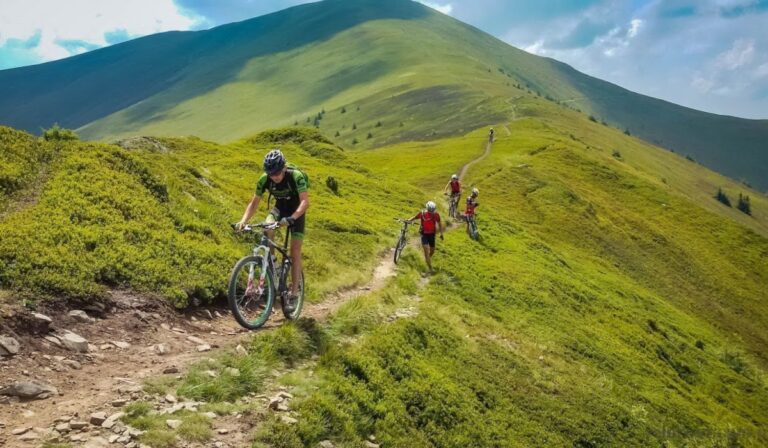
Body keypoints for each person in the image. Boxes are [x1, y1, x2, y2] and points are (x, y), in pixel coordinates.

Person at [236, 149, 309, 311]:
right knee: (267, 227)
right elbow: (254, 203)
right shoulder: (265, 179)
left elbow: (305, 202)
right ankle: (274, 268)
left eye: (276, 173)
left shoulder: (296, 176)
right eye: (270, 174)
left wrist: (293, 218)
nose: (274, 177)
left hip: (297, 212)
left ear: (283, 167)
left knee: (295, 251)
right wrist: (243, 221)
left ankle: (294, 294)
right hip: (279, 208)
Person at [408, 201, 444, 274]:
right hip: (424, 234)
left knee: (432, 251)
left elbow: (439, 224)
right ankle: (430, 268)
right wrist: (408, 220)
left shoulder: (436, 215)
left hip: (432, 234)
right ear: (427, 208)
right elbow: (415, 217)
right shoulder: (422, 213)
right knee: (426, 251)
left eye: (432, 210)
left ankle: (427, 259)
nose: (431, 212)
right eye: (430, 210)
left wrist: (441, 233)